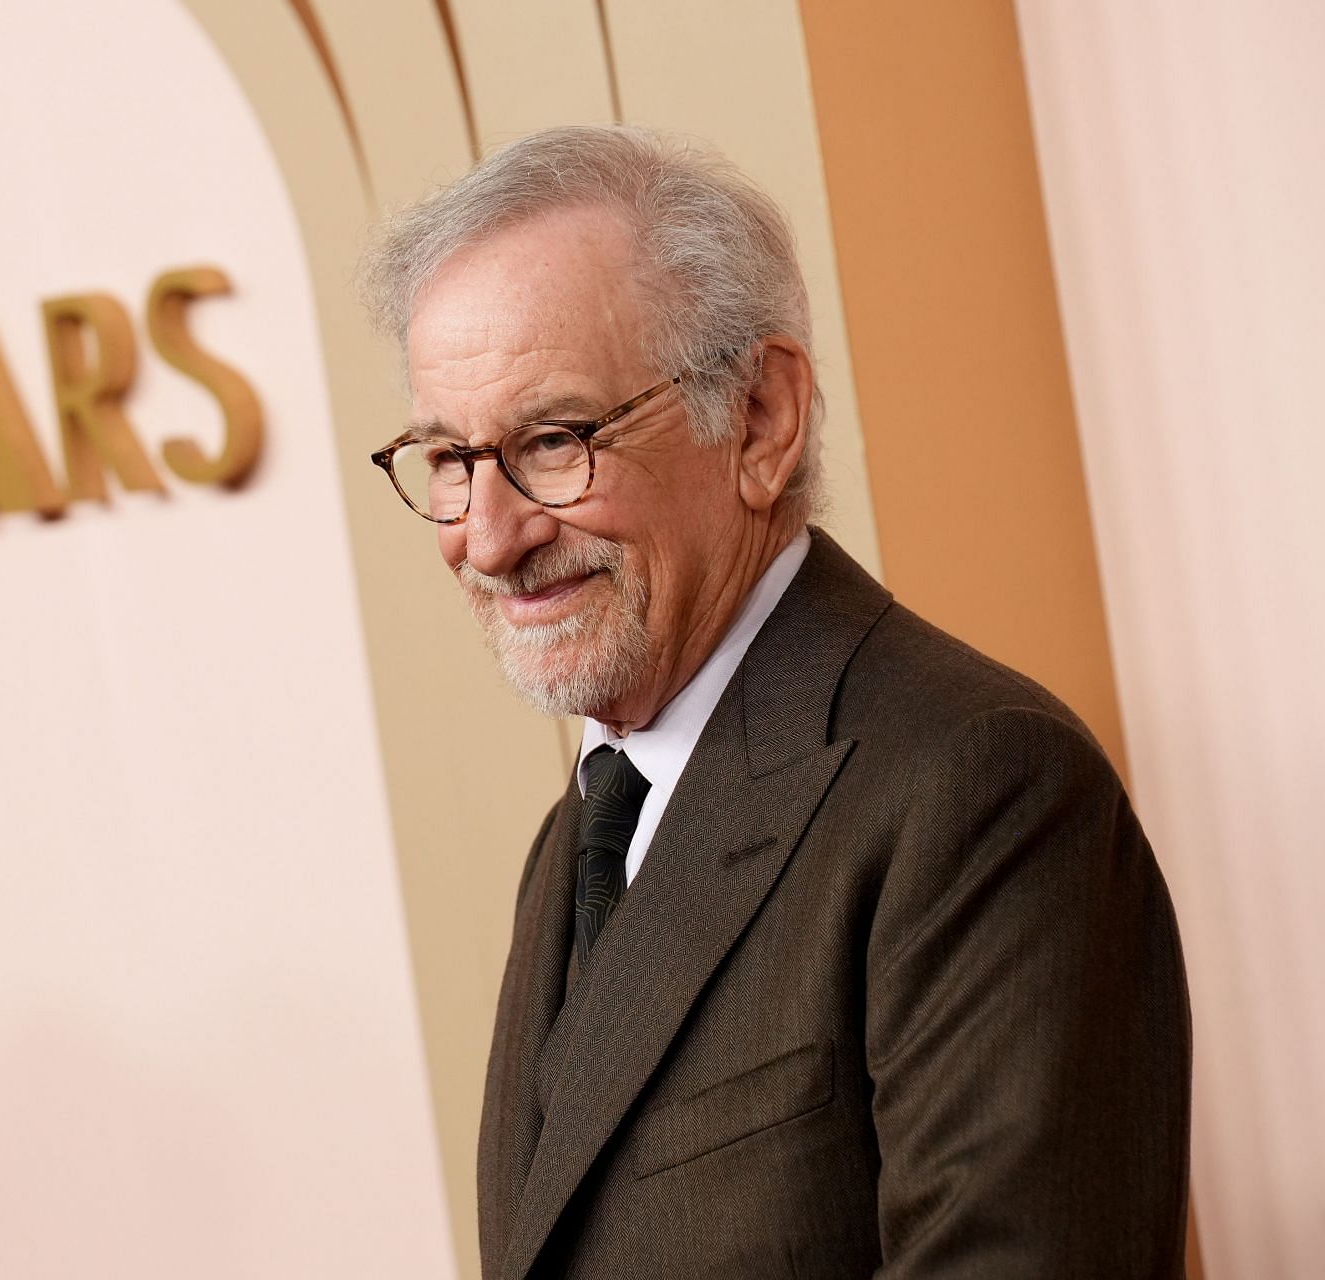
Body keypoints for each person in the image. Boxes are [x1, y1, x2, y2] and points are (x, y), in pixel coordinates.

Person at [360, 125, 1191, 1279]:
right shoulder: (583, 833)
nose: (490, 537)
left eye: (553, 441)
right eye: (450, 459)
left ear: (760, 417)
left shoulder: (980, 786)